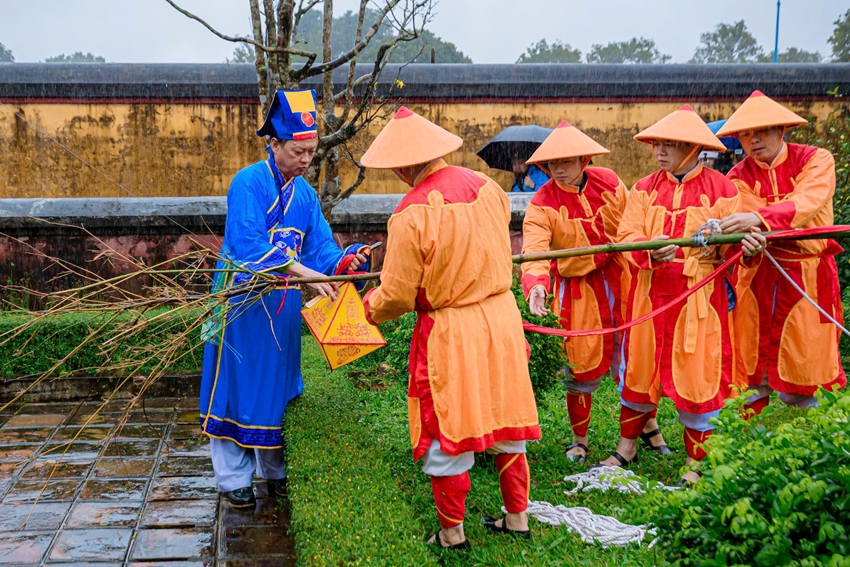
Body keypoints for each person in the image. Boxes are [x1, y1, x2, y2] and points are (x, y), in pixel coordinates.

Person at [360, 107, 541, 549]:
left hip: (451, 329)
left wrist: (368, 308)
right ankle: (517, 518)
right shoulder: (490, 189)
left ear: (403, 165)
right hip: (501, 318)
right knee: (505, 416)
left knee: (449, 425)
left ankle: (452, 532)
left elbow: (399, 293)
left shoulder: (410, 213)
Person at [199, 89, 371, 508]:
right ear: (274, 144)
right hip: (242, 303)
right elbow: (246, 246)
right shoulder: (247, 183)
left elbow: (322, 252)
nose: (307, 160)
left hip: (283, 309)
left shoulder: (306, 197)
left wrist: (347, 262)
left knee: (277, 387)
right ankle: (233, 477)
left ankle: (275, 471)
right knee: (237, 385)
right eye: (298, 151)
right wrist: (303, 271)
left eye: (312, 151)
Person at [596, 105, 765, 485]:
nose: (659, 150)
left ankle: (696, 460)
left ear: (692, 148)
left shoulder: (724, 190)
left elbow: (732, 250)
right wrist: (648, 250)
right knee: (639, 370)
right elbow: (627, 235)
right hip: (649, 294)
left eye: (669, 144)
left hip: (698, 298)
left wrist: (744, 248)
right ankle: (627, 446)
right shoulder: (642, 188)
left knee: (699, 376)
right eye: (657, 143)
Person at [520, 121, 670, 463]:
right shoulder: (542, 204)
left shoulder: (610, 182)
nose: (559, 169)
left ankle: (648, 427)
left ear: (584, 159)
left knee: (635, 356)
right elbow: (534, 251)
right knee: (579, 365)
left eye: (567, 161)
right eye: (552, 163)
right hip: (576, 293)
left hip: (623, 278)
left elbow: (635, 224)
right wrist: (536, 285)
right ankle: (579, 439)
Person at [717, 90, 847, 413]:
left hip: (808, 276)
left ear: (781, 130)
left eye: (761, 131)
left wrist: (760, 219)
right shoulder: (736, 177)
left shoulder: (817, 159)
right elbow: (743, 215)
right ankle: (745, 446)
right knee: (751, 362)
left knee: (808, 364)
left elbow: (807, 202)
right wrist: (755, 227)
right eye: (745, 134)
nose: (753, 140)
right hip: (759, 273)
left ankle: (813, 445)